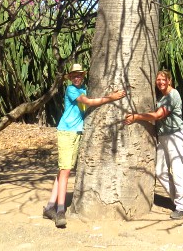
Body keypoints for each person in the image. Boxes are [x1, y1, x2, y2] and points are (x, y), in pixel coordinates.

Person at [43, 63, 126, 228]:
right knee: (65, 171)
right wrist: (112, 97)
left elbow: (89, 99)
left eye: (79, 75)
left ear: (83, 76)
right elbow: (88, 102)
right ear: (70, 77)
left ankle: (49, 207)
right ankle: (60, 211)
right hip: (66, 131)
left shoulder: (83, 89)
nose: (77, 78)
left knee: (63, 170)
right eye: (74, 75)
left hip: (75, 132)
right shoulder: (71, 90)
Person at [124, 69, 183, 219]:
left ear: (169, 81)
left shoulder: (173, 95)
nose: (160, 82)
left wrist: (136, 117)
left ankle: (182, 205)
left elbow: (158, 115)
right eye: (158, 80)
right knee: (160, 171)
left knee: (178, 169)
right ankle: (177, 200)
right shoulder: (162, 97)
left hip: (175, 135)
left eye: (163, 79)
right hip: (163, 136)